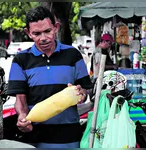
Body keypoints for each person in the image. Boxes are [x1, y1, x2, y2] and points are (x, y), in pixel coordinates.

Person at [7, 6, 92, 148]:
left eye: (47, 31)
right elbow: (20, 100)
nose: (43, 38)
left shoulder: (73, 55)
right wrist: (22, 117)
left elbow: (84, 91)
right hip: (36, 140)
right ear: (28, 33)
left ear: (56, 27)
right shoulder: (21, 60)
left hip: (70, 138)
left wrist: (80, 94)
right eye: (37, 33)